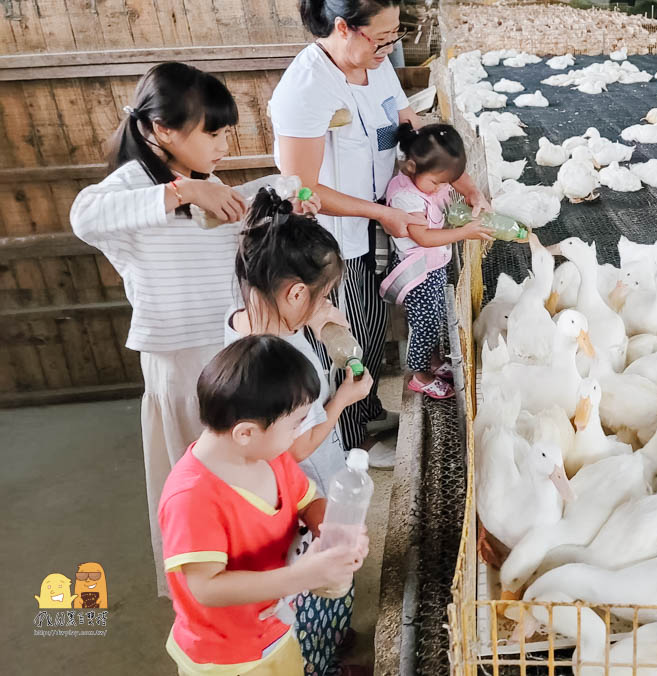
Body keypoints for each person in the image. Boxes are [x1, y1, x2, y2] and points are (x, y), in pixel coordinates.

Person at [69, 62, 281, 597]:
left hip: (226, 349)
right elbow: (83, 216)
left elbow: (218, 248)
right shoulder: (137, 186)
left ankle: (264, 598)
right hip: (182, 363)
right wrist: (184, 193)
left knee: (243, 483)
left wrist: (269, 203)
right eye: (213, 131)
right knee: (202, 495)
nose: (223, 144)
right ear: (164, 130)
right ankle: (213, 606)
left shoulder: (204, 180)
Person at [270, 0, 489, 450]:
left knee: (371, 328)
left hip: (378, 219)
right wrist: (382, 213)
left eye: (395, 37)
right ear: (344, 27)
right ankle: (350, 444)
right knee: (346, 337)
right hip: (332, 237)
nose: (390, 48)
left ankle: (367, 414)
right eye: (383, 37)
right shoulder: (306, 89)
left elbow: (410, 131)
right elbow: (301, 189)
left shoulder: (377, 63)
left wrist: (463, 183)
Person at [158, 335, 367, 676]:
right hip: (227, 658)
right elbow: (207, 588)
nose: (300, 432)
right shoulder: (192, 497)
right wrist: (300, 576)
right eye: (296, 424)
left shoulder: (270, 457)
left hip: (275, 626)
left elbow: (307, 500)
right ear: (245, 433)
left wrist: (335, 527)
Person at [229, 189, 375, 675]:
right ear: (295, 293)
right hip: (304, 483)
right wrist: (342, 403)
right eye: (323, 295)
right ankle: (323, 659)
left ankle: (335, 637)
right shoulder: (286, 361)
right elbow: (296, 445)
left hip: (286, 488)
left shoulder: (243, 329)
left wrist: (319, 320)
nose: (327, 304)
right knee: (316, 572)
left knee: (322, 573)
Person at [380, 123, 493, 398]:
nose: (440, 188)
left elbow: (442, 202)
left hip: (434, 265)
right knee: (425, 322)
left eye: (445, 182)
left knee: (434, 315)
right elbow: (423, 237)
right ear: (410, 168)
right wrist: (464, 232)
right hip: (418, 269)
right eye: (436, 182)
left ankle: (431, 360)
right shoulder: (406, 196)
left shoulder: (427, 182)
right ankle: (418, 373)